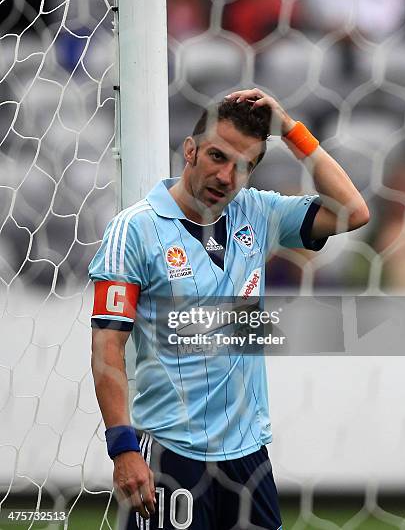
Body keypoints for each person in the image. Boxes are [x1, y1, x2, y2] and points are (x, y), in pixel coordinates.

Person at [89, 88, 369, 530]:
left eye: (243, 166)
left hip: (248, 458)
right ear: (190, 149)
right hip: (170, 454)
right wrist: (122, 448)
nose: (226, 175)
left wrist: (291, 130)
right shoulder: (135, 230)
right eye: (217, 156)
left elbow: (354, 212)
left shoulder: (258, 213)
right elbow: (107, 347)